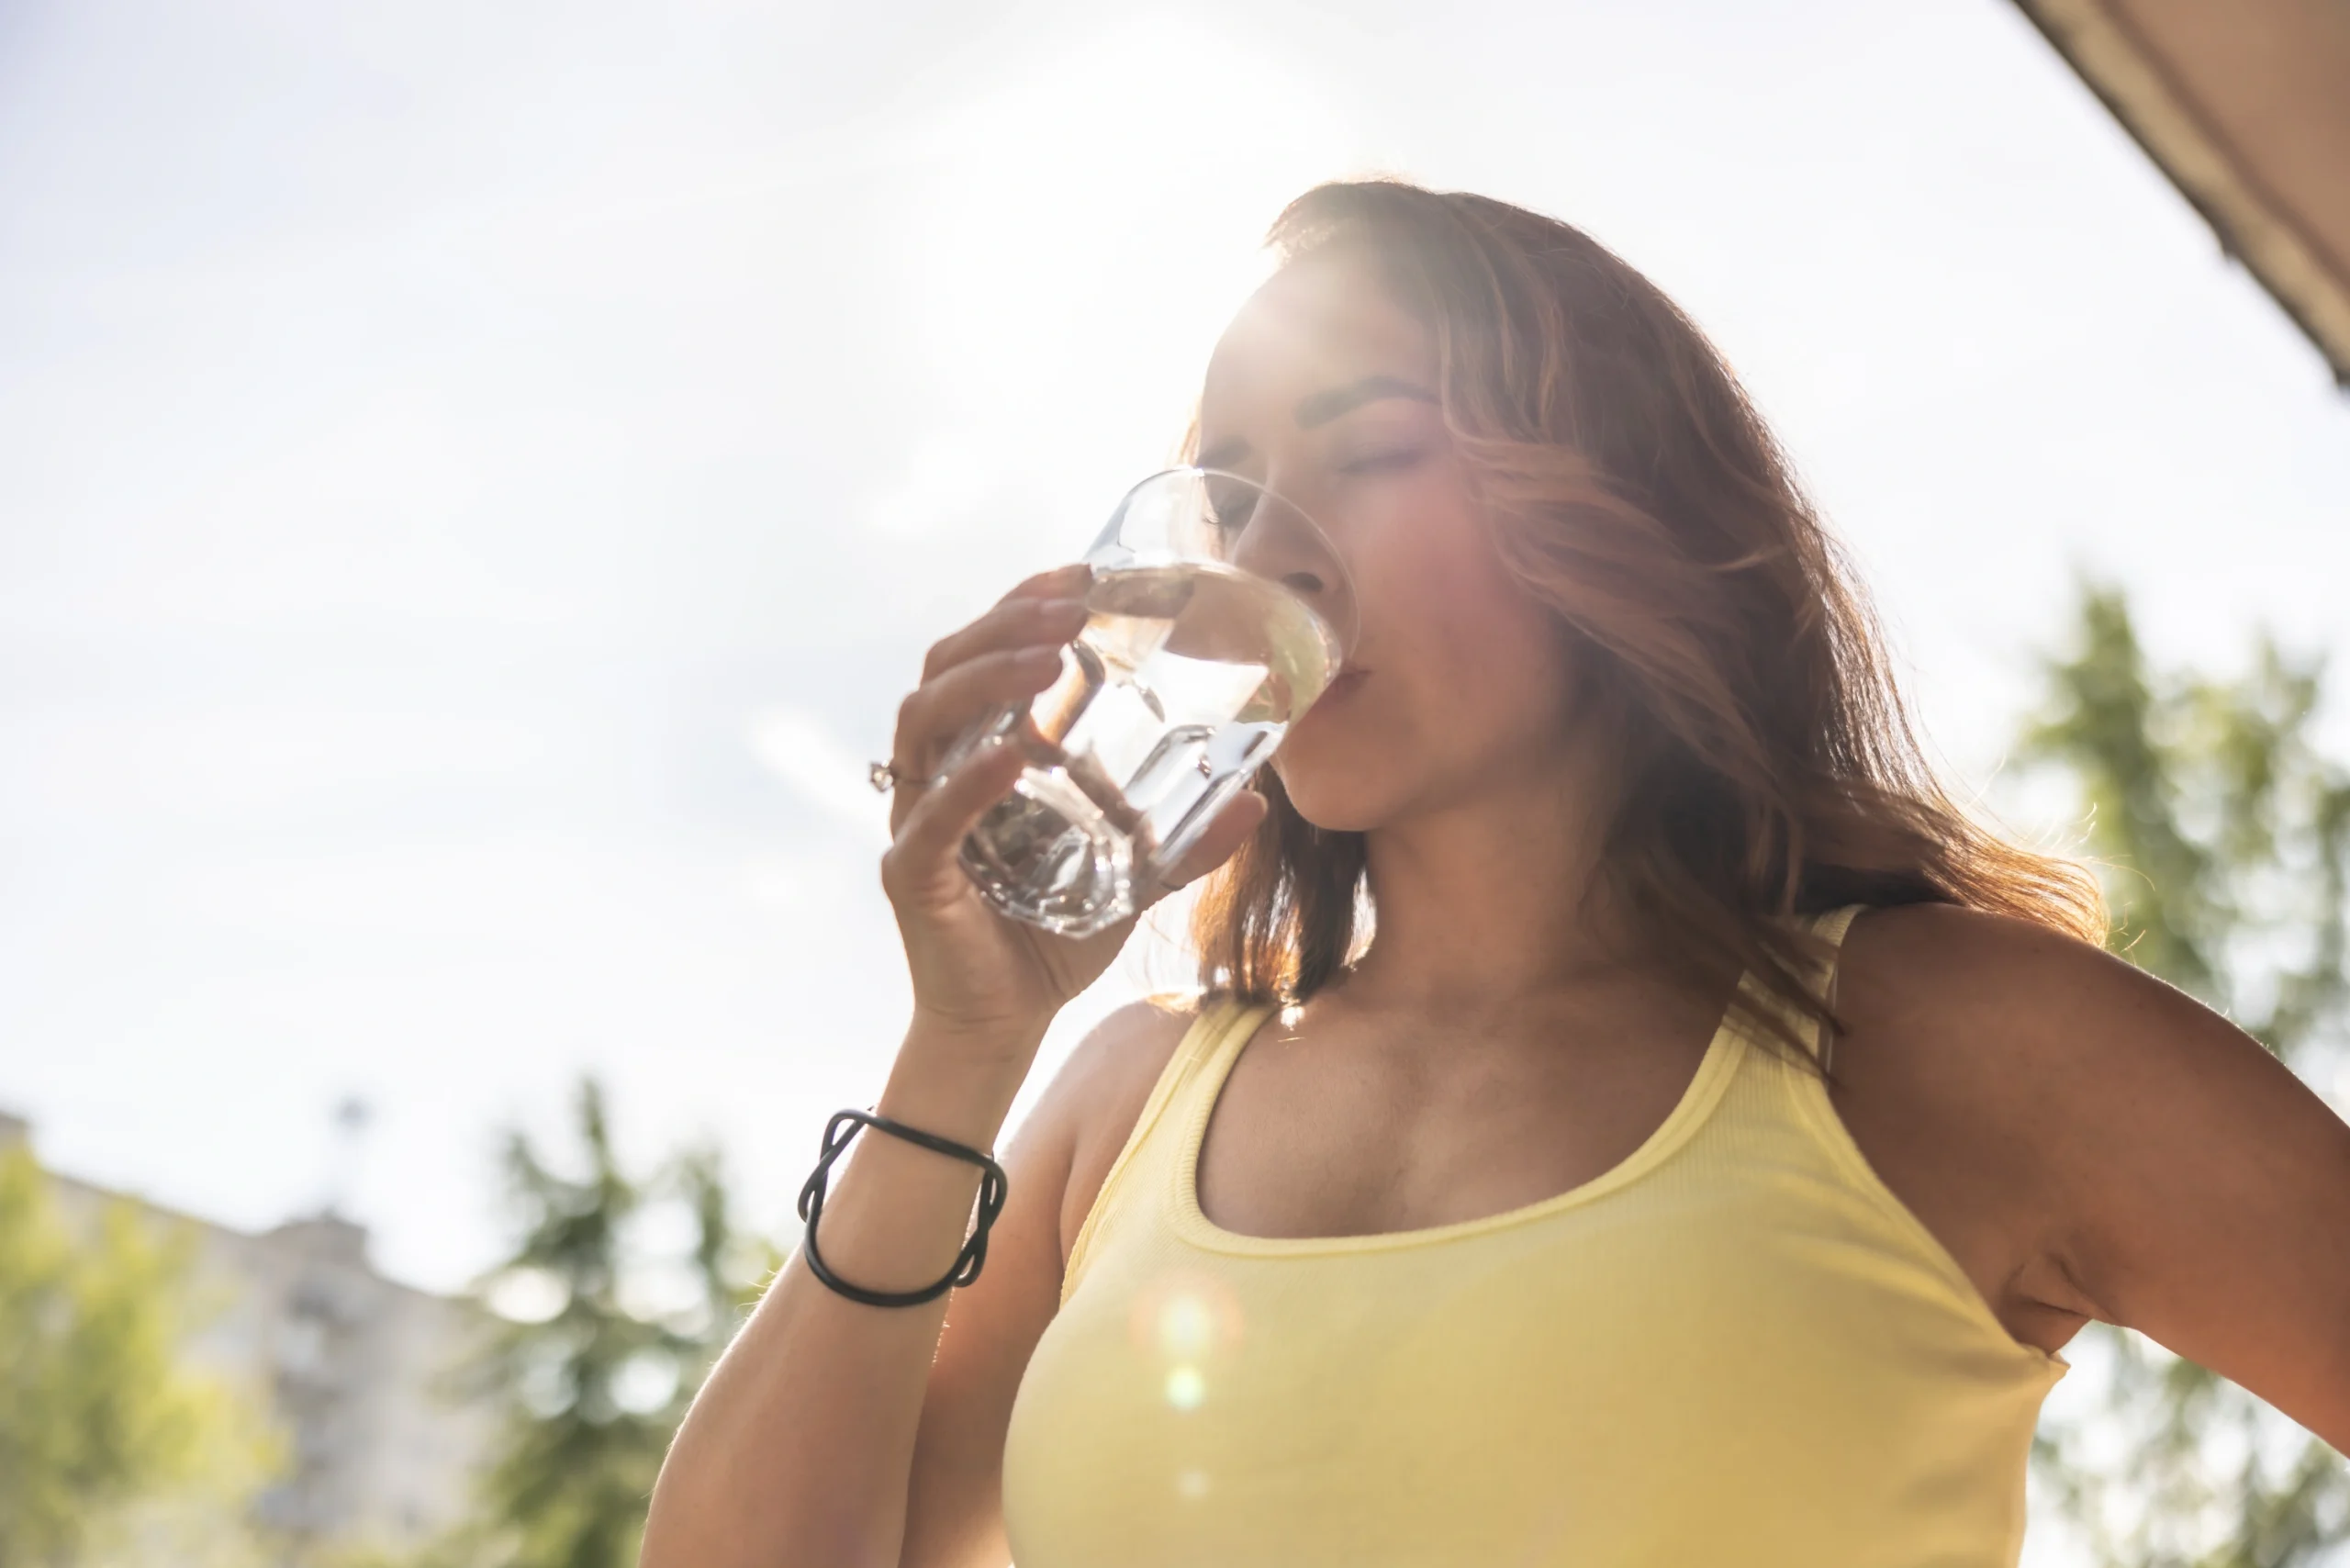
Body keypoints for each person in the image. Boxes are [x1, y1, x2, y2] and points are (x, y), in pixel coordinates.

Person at [640, 180, 2350, 1568]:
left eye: (1372, 451)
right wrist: (963, 1046)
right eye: (1226, 496)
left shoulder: (1964, 1047)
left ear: (1626, 510)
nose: (1268, 552)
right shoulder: (1126, 1101)